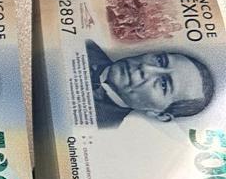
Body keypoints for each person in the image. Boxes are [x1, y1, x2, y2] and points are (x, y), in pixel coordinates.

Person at [84, 41, 215, 129]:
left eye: (163, 84)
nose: (146, 68)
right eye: (160, 60)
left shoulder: (96, 130)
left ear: (160, 114)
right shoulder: (86, 43)